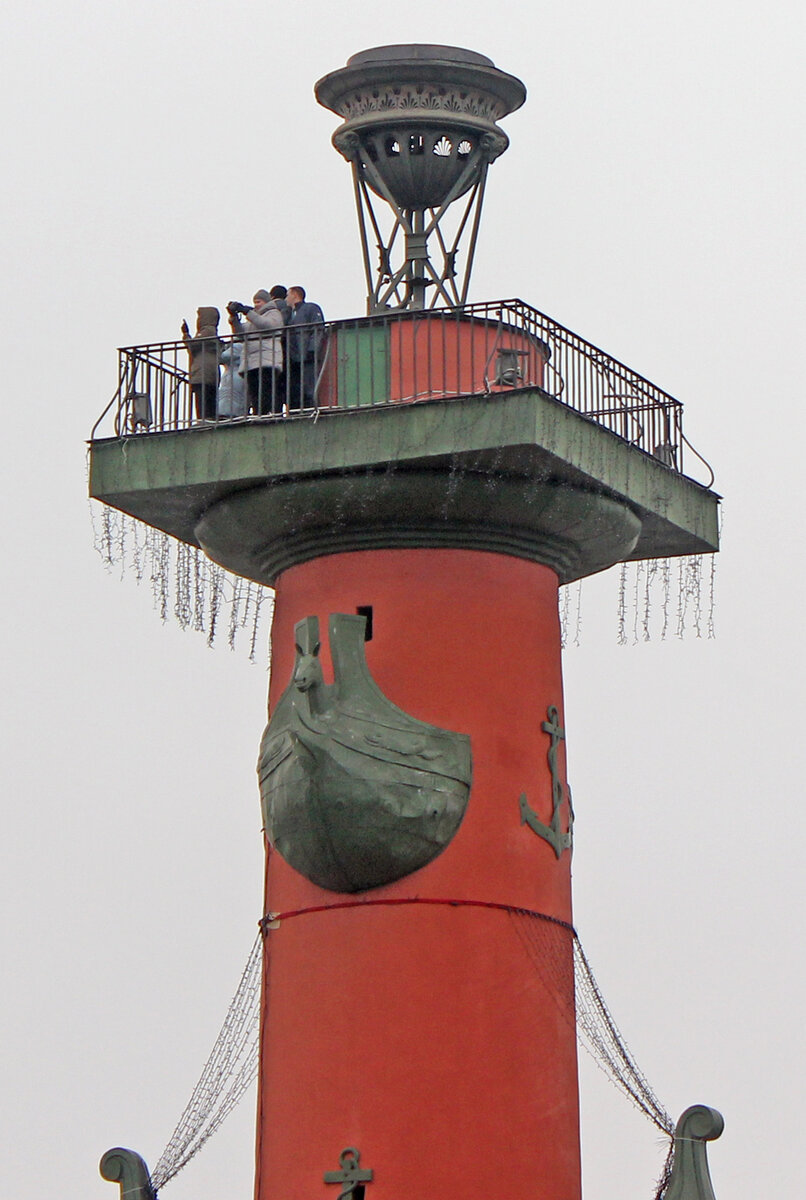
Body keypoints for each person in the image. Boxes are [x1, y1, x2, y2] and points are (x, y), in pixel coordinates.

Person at [227, 290, 284, 415]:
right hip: (251, 362)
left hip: (267, 359)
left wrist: (248, 312)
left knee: (265, 390)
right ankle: (258, 414)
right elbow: (240, 334)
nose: (256, 304)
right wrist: (234, 318)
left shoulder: (273, 313)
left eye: (259, 301)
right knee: (254, 392)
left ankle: (266, 413)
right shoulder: (253, 318)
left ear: (266, 302)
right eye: (254, 302)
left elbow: (267, 325)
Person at [286, 286, 325, 409]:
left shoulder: (310, 308)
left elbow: (318, 328)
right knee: (296, 390)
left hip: (306, 356)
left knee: (309, 388)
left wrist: (312, 349)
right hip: (293, 359)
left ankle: (311, 410)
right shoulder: (290, 314)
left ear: (295, 295)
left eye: (288, 295)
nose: (286, 299)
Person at [181, 307, 222, 421]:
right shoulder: (212, 332)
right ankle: (208, 421)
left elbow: (192, 346)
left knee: (202, 403)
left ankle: (203, 422)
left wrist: (185, 335)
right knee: (209, 404)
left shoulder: (207, 331)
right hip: (210, 373)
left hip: (202, 372)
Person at [217, 340, 247, 419]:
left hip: (235, 374)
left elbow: (223, 357)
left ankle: (228, 413)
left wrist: (220, 349)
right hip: (233, 373)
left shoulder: (238, 346)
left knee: (230, 395)